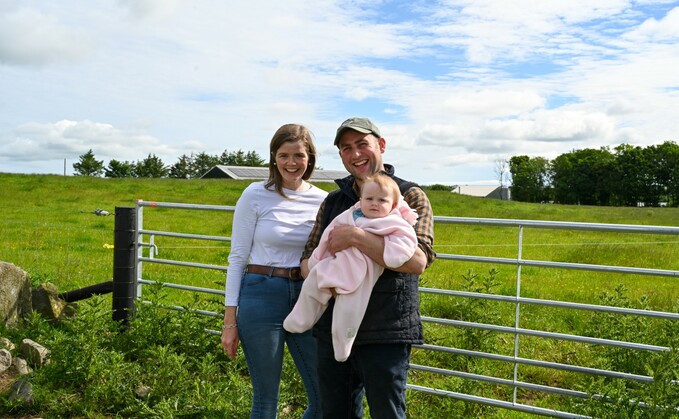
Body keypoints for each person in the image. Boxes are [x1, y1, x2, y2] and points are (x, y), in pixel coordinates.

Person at [300, 117, 436, 419]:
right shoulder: (334, 201)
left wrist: (356, 237)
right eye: (346, 148)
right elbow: (306, 261)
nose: (355, 154)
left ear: (381, 145)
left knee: (387, 413)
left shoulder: (410, 196)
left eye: (362, 144)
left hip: (385, 330)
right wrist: (327, 276)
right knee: (336, 413)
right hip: (332, 329)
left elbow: (417, 261)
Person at [221, 123, 327, 419]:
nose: (291, 163)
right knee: (266, 398)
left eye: (299, 155)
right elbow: (237, 257)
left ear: (310, 159)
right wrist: (230, 321)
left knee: (323, 397)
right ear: (273, 158)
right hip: (261, 292)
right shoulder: (255, 194)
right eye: (284, 155)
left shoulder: (322, 199)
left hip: (307, 296)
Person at [284, 173, 419, 363]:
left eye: (382, 200)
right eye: (369, 198)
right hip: (336, 264)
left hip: (363, 274)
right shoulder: (350, 213)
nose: (374, 203)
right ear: (361, 199)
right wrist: (317, 258)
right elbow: (329, 234)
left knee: (348, 311)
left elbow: (407, 242)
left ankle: (342, 345)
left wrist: (393, 256)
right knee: (312, 285)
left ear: (393, 205)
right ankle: (300, 317)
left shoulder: (394, 221)